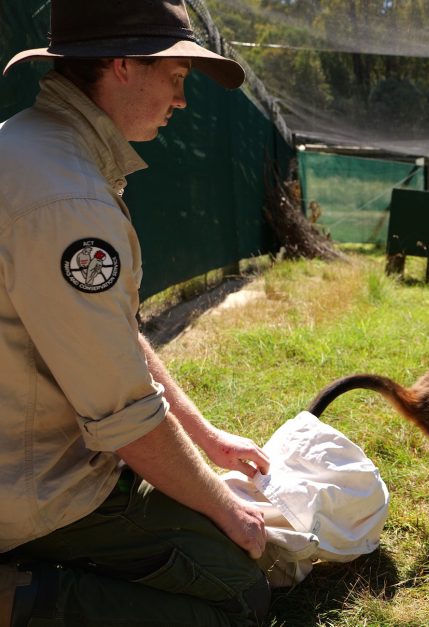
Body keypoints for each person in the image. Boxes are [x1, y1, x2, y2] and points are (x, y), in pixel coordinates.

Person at [0, 1, 274, 625]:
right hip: (31, 488)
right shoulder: (67, 200)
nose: (181, 100)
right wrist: (226, 511)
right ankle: (17, 596)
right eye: (176, 78)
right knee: (239, 593)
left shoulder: (31, 144)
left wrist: (206, 439)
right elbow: (123, 416)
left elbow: (112, 336)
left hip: (27, 451)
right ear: (122, 65)